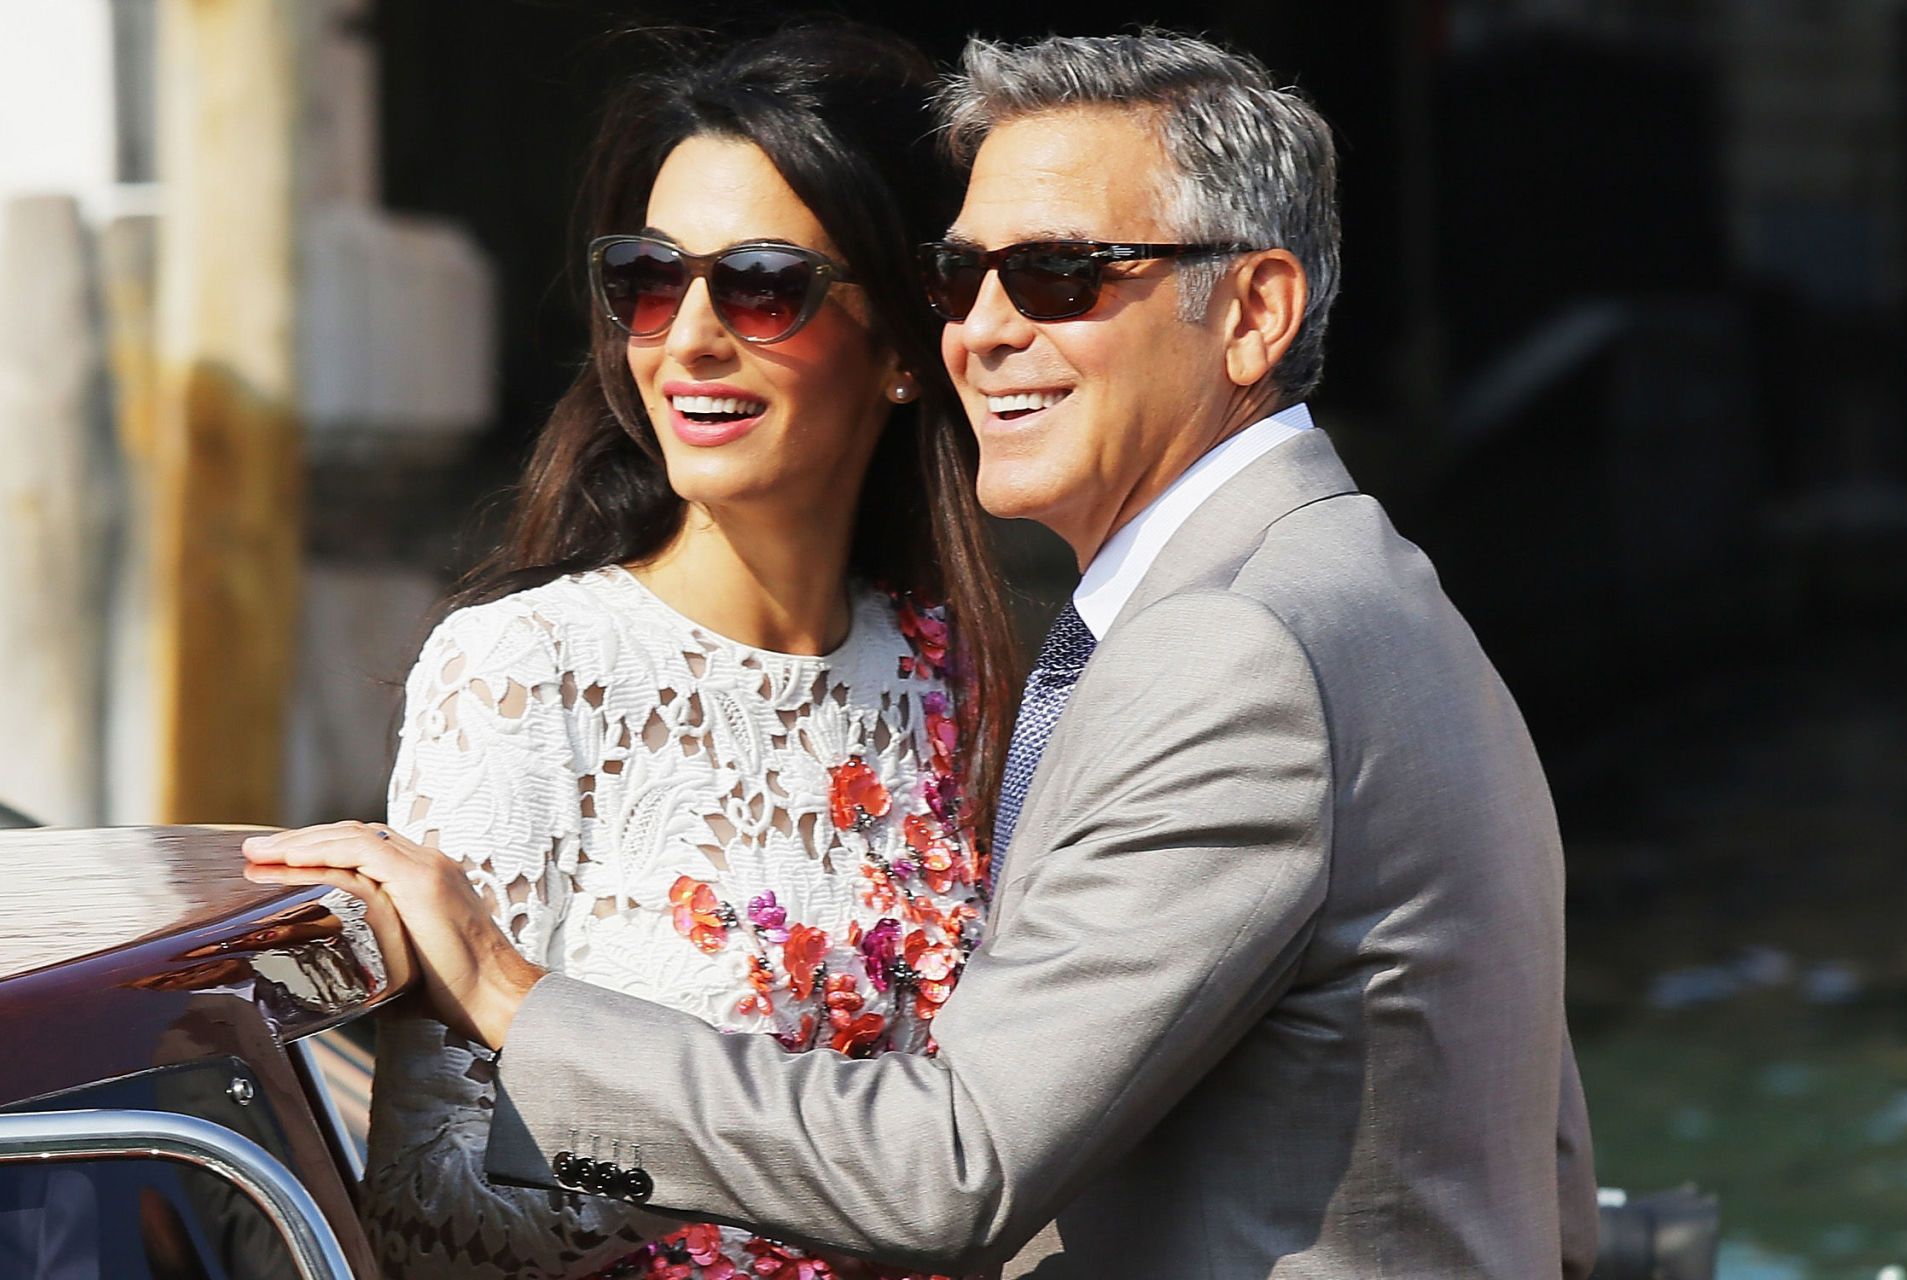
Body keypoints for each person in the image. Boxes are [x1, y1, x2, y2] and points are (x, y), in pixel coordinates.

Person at [248, 30, 1601, 1279]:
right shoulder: (1371, 598)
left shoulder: (1202, 653)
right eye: (965, 274)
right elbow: (1550, 1162)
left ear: (1253, 312)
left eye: (1061, 274)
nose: (991, 325)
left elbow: (955, 1163)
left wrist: (506, 993)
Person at [322, 24, 1017, 1280]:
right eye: (648, 277)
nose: (687, 335)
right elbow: (425, 1217)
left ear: (907, 348)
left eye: (761, 284)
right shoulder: (526, 670)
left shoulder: (951, 674)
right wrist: (734, 1157)